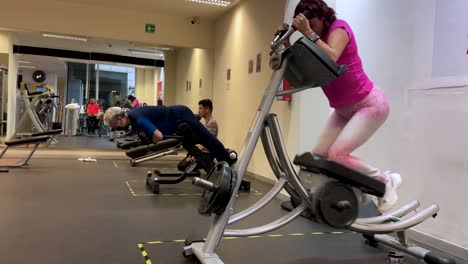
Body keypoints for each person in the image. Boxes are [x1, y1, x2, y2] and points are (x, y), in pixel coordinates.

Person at [284, 0, 401, 212]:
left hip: (369, 104)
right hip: (343, 109)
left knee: (338, 154)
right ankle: (335, 195)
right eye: (306, 24)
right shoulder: (314, 41)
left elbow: (331, 57)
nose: (311, 27)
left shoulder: (339, 27)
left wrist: (308, 32)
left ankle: (386, 181)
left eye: (313, 22)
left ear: (322, 15)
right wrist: (285, 43)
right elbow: (300, 66)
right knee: (318, 155)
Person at [103, 105, 230, 163]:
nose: (118, 129)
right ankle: (216, 167)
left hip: (182, 116)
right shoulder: (133, 119)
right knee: (192, 148)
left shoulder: (137, 117)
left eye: (116, 126)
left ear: (120, 119)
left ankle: (228, 160)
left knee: (207, 139)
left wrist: (153, 143)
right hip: (177, 124)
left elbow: (158, 136)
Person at [178, 99, 219, 170]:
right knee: (181, 165)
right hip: (200, 153)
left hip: (206, 155)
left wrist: (195, 154)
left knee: (183, 167)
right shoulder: (206, 123)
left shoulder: (212, 123)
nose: (198, 111)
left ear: (207, 109)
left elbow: (208, 143)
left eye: (200, 108)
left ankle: (209, 165)